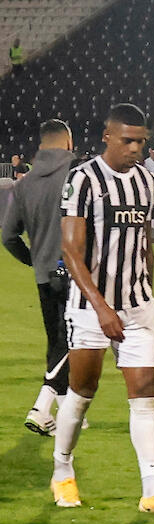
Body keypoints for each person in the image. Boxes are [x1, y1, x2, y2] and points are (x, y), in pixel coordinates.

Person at [51, 103, 154, 518]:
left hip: (137, 305)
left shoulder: (146, 180)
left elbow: (144, 240)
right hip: (91, 306)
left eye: (141, 141)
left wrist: (146, 292)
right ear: (107, 136)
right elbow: (71, 251)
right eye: (128, 140)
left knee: (145, 393)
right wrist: (102, 307)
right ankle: (62, 471)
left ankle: (152, 491)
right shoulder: (83, 179)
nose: (136, 148)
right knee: (82, 391)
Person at [2, 120, 76, 436]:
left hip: (45, 276)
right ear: (68, 143)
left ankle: (66, 412)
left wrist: (34, 261)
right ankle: (42, 406)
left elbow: (8, 236)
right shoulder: (79, 175)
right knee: (74, 341)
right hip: (77, 273)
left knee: (57, 342)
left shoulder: (24, 183)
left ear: (42, 145)